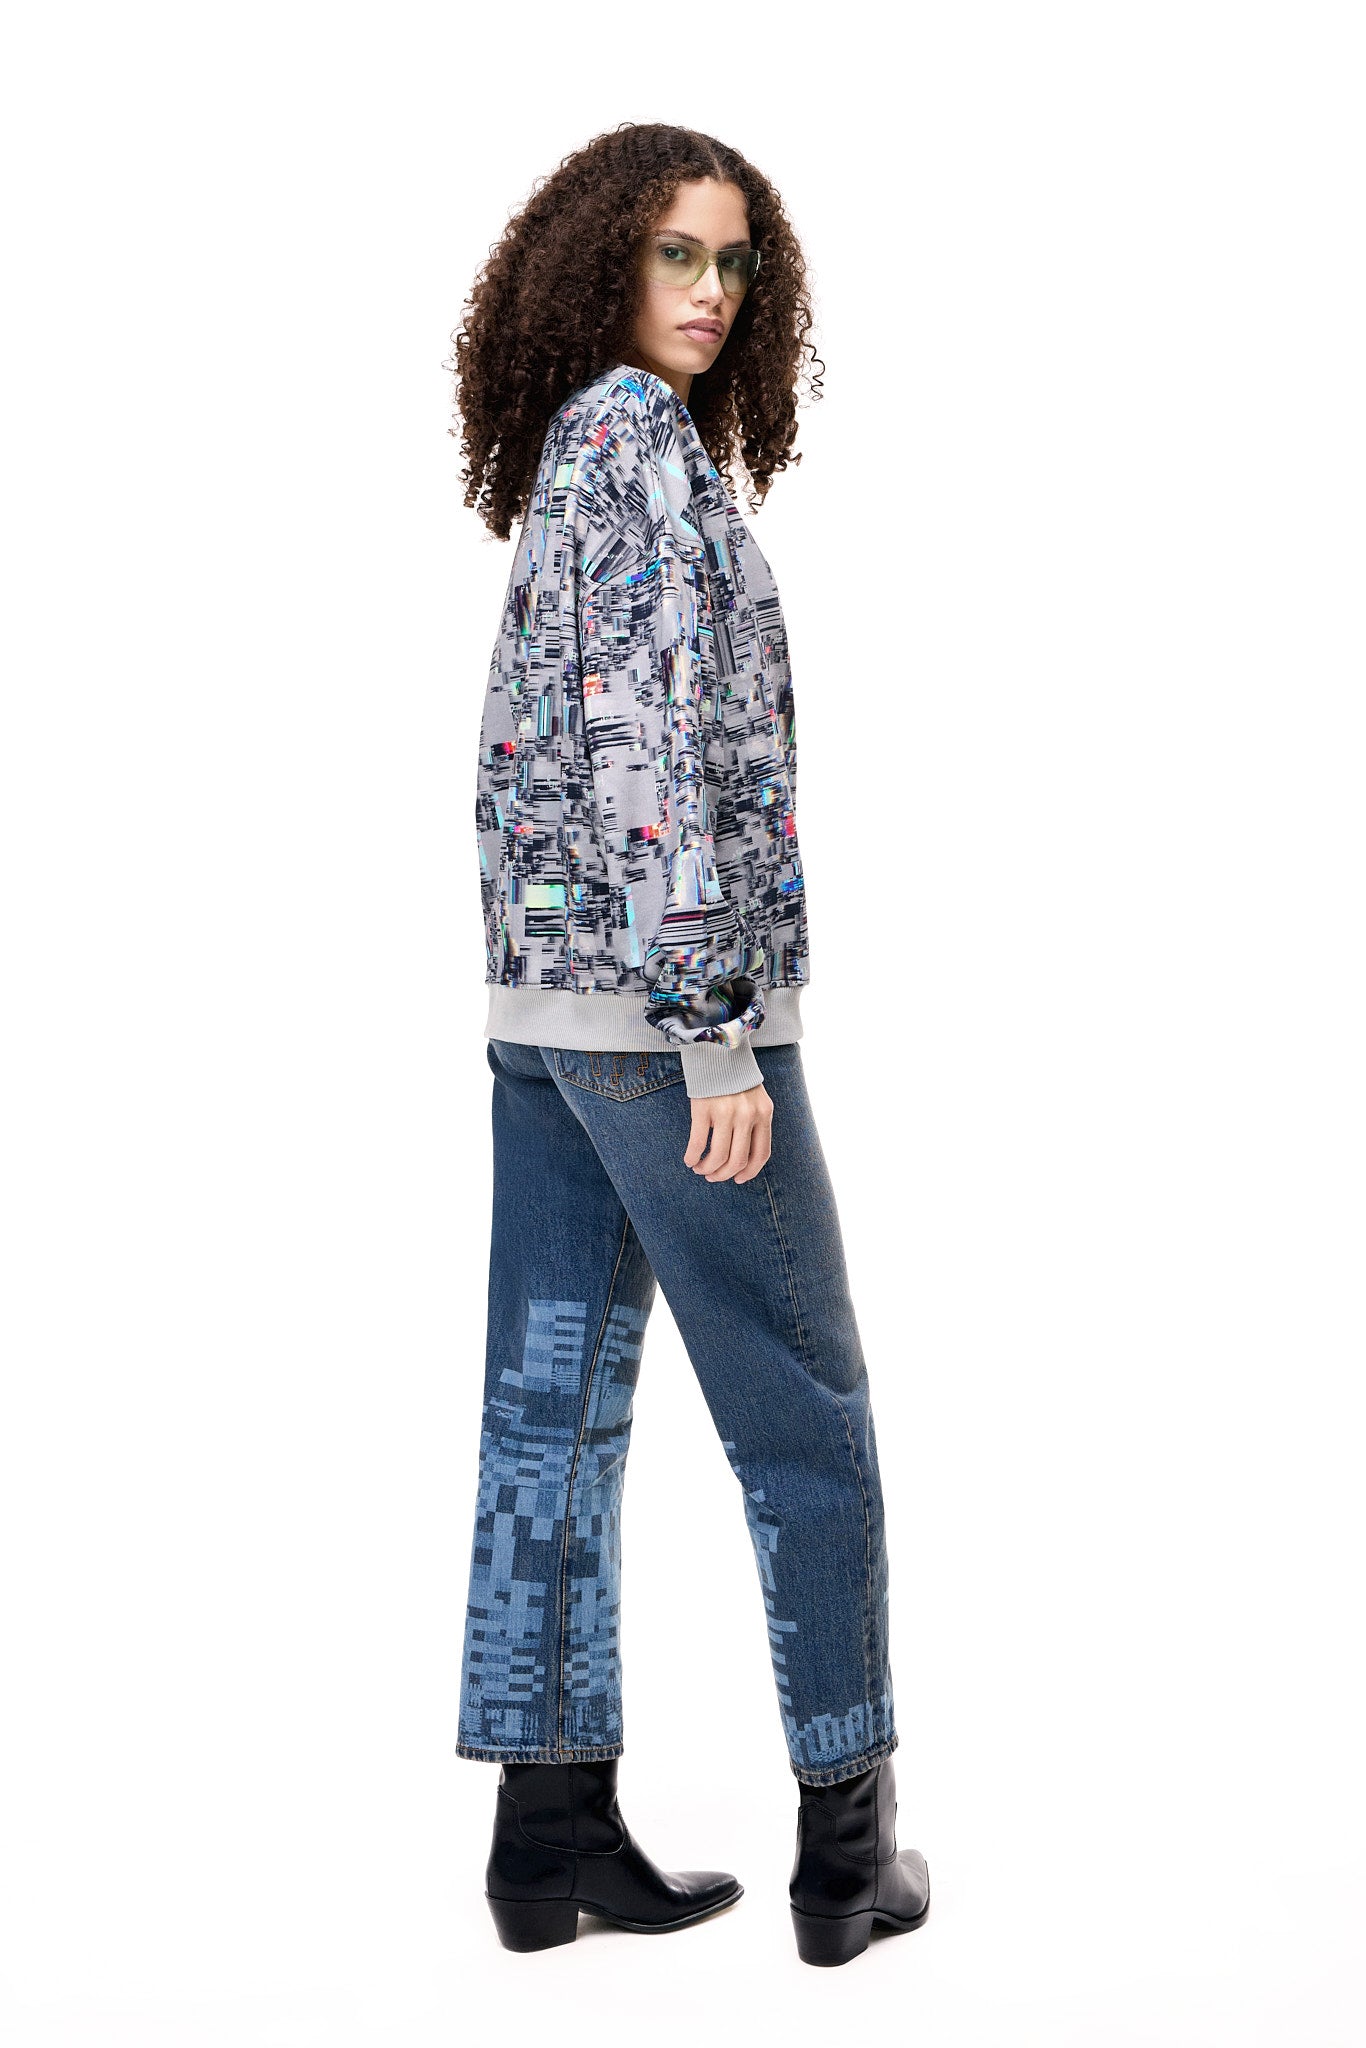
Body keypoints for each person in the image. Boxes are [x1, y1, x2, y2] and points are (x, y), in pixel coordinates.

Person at [447, 121, 930, 1968]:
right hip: (668, 1027)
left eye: (734, 260)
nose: (712, 290)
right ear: (603, 261)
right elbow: (644, 759)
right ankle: (845, 1850)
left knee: (548, 1415)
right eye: (676, 253)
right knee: (804, 1410)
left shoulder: (582, 447)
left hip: (549, 1018)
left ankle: (547, 1832)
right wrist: (716, 1037)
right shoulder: (639, 448)